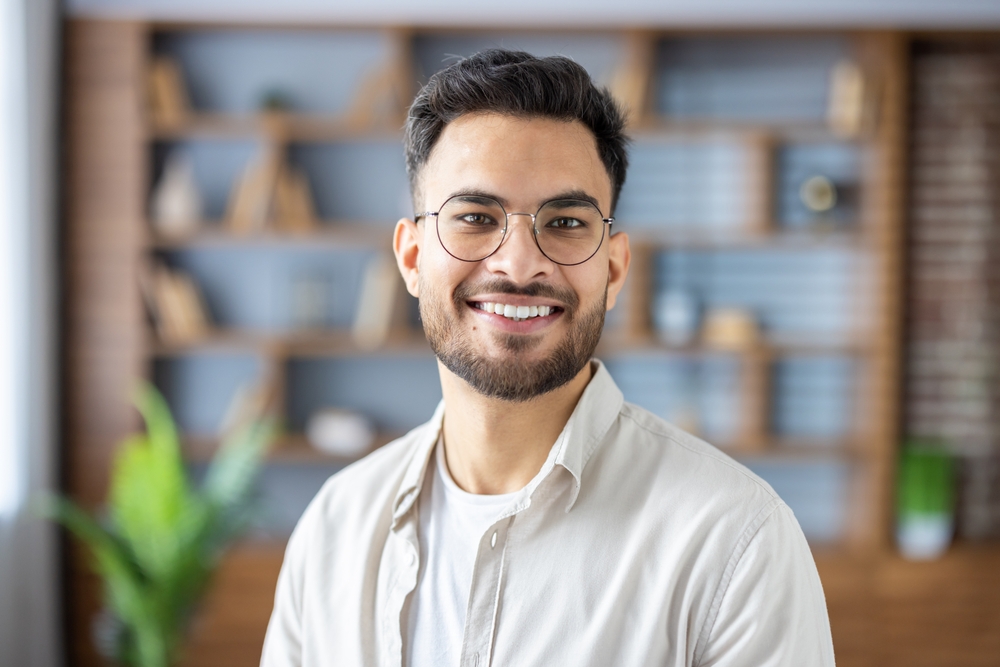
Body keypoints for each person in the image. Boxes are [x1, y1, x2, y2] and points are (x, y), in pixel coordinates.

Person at [261, 49, 836, 667]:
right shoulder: (334, 530)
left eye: (564, 222)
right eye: (476, 217)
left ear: (613, 270)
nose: (518, 263)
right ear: (411, 258)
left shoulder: (735, 542)